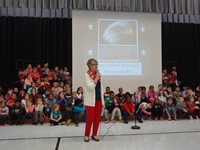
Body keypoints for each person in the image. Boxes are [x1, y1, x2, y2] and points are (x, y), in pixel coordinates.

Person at [84, 58, 105, 142]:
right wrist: (96, 79)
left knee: (97, 118)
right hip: (90, 101)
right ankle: (86, 135)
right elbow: (90, 88)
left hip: (99, 100)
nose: (96, 65)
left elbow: (100, 88)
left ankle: (94, 134)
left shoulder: (98, 74)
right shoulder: (87, 75)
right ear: (90, 65)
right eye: (94, 64)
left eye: (97, 64)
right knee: (90, 118)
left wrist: (102, 100)